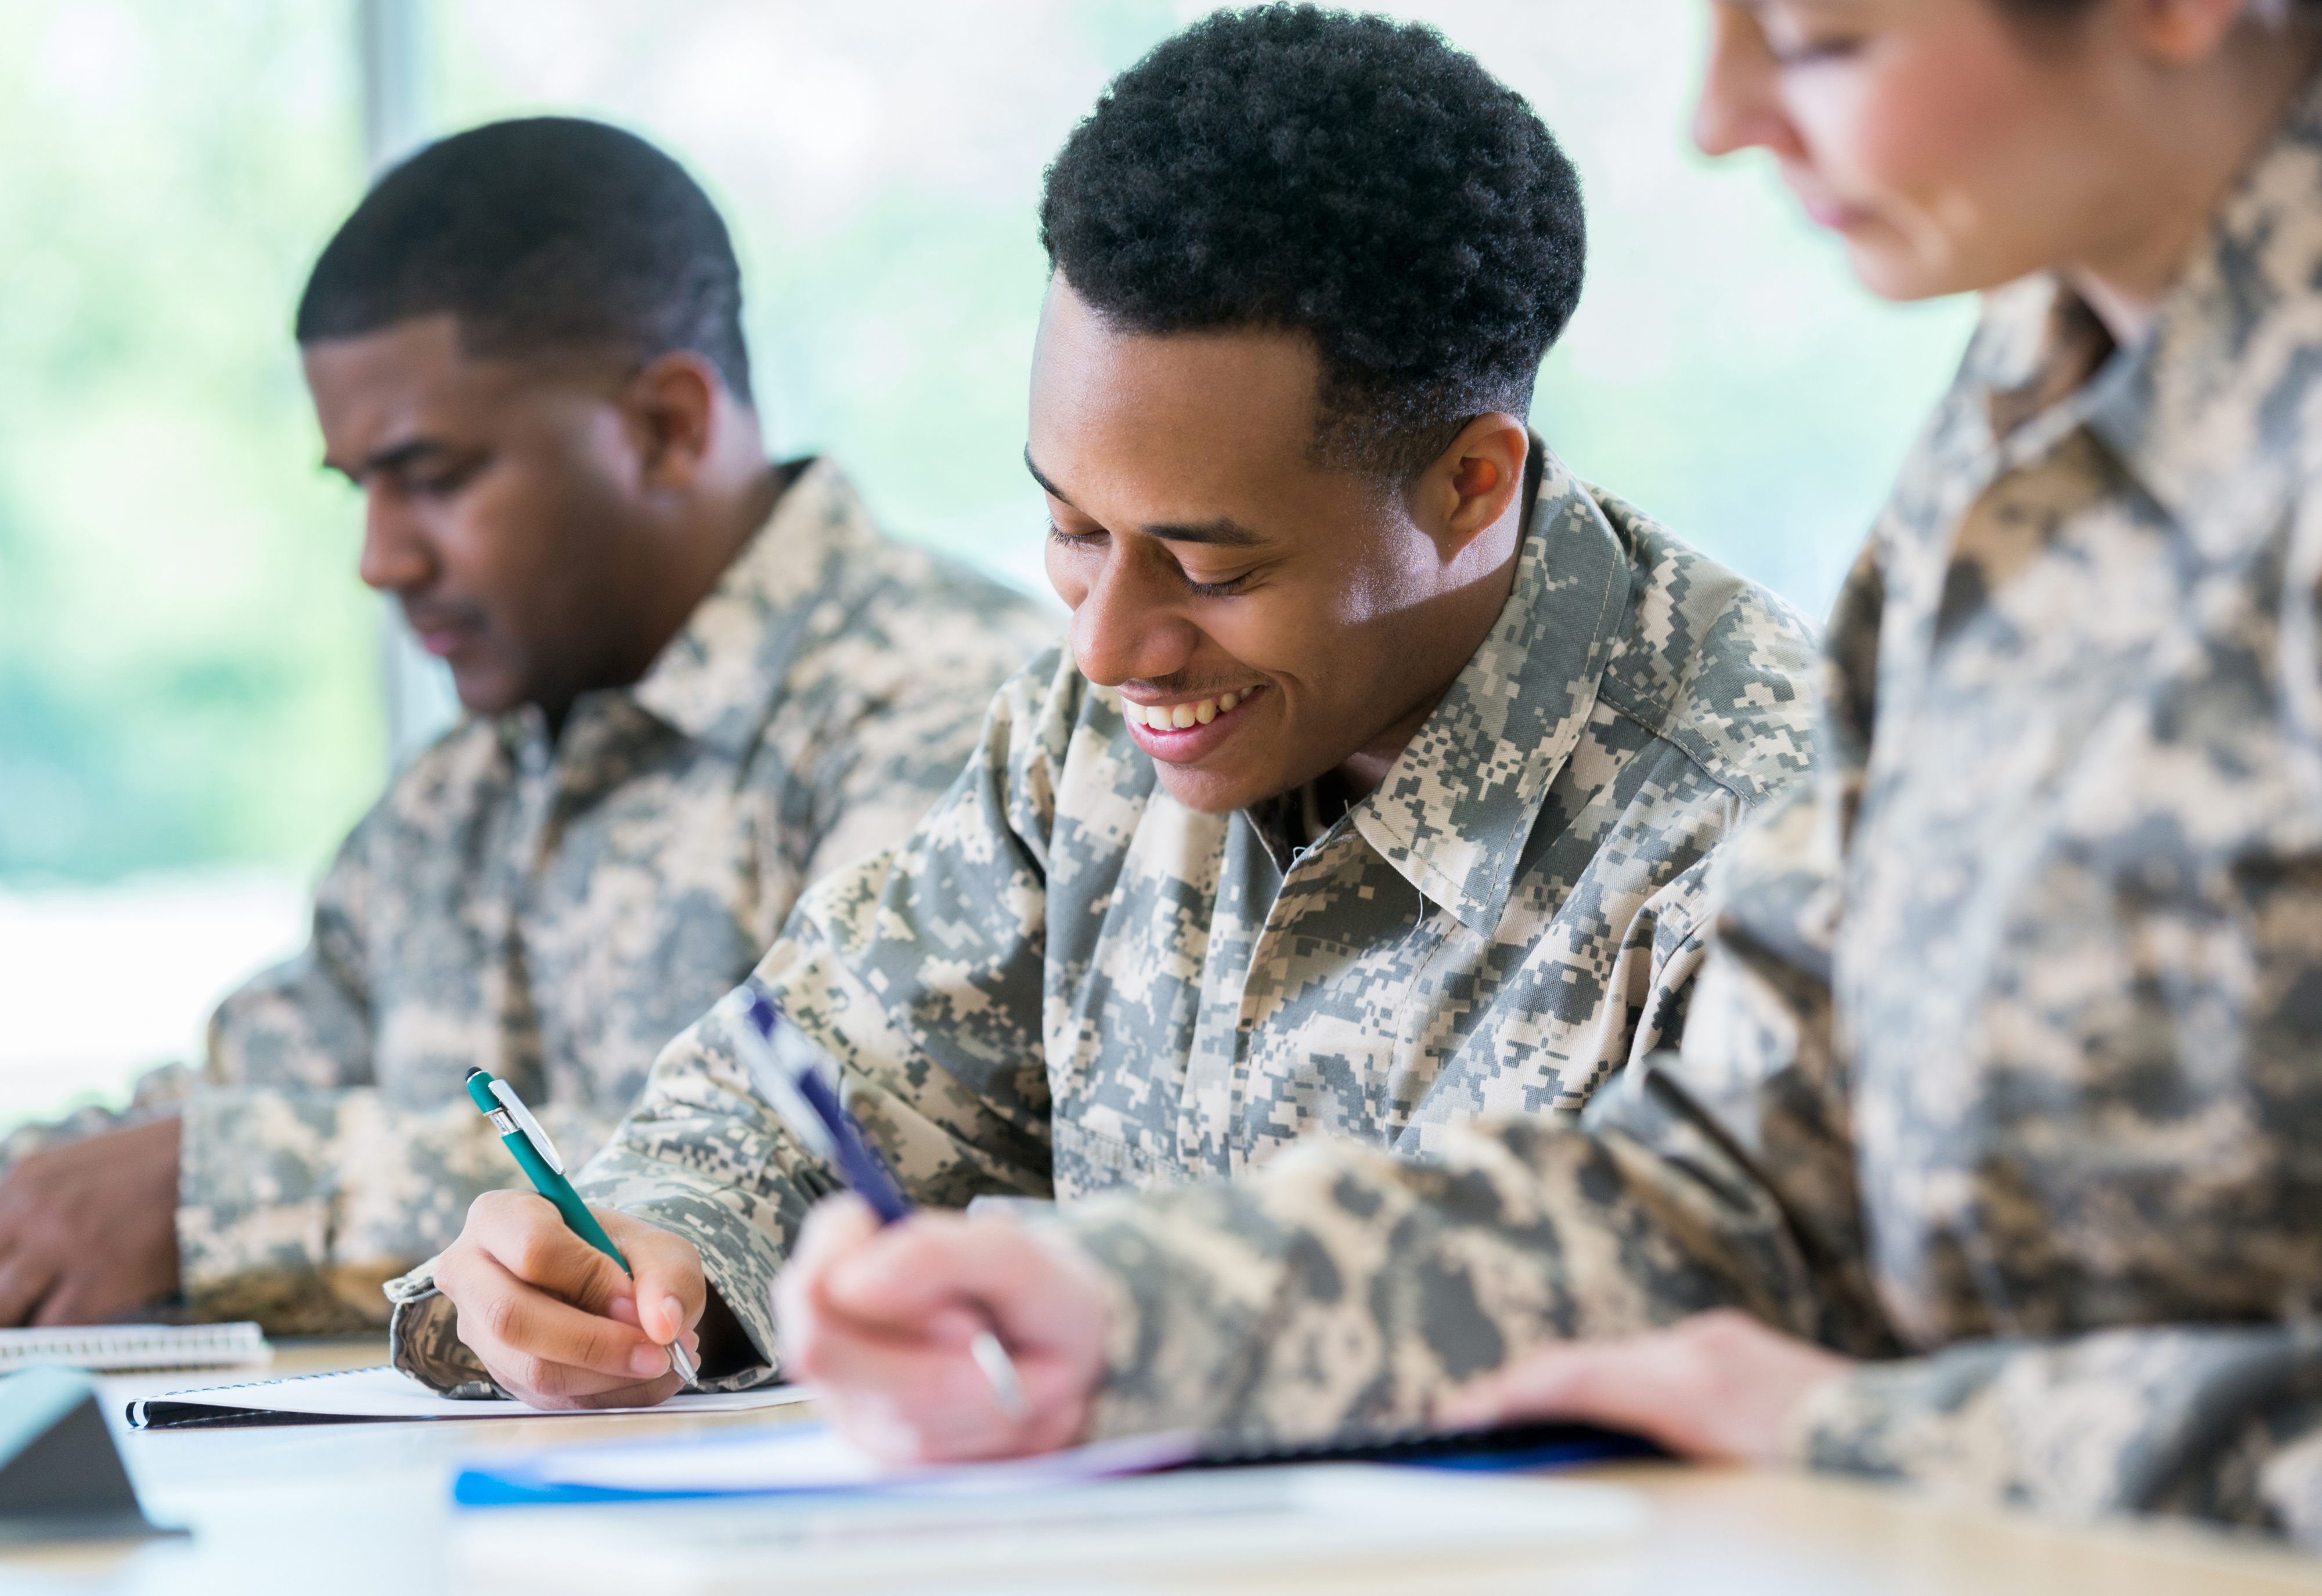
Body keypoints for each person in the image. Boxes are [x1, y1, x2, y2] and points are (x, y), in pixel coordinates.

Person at [769, 0, 2322, 1550]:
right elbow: (1745, 1183)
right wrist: (1122, 1309)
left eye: (1822, 35)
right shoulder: (2032, 412)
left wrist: (1853, 1428)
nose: (1720, 116)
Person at [389, 8, 1820, 1407]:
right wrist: (647, 1246)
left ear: (1468, 487)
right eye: (1071, 527)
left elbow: (1741, 1313)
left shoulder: (1764, 818)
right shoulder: (1089, 750)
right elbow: (797, 1101)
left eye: (1209, 561)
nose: (1109, 645)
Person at [0, 117, 1056, 1333]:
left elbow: (795, 1161)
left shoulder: (960, 716)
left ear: (664, 426)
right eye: (360, 489)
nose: (380, 558)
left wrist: (215, 1199)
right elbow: (218, 1105)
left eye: (434, 478)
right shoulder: (462, 789)